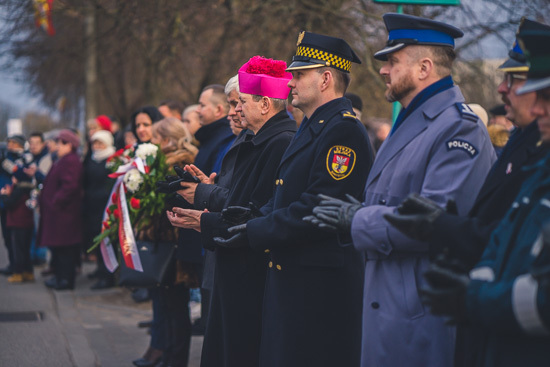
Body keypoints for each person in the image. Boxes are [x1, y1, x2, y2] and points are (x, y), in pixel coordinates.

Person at [305, 14, 496, 367]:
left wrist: (358, 220)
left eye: (392, 61)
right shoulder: (414, 120)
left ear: (424, 68)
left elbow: (435, 218)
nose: (383, 70)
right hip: (390, 300)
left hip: (421, 309)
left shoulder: (459, 128)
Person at [382, 19, 550, 367]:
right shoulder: (528, 143)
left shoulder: (462, 126)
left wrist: (476, 296)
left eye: (517, 80)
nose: (503, 91)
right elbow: (505, 240)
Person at [217, 32, 374, 367]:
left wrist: (257, 229)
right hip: (294, 278)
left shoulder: (342, 131)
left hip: (319, 287)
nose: (290, 82)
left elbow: (320, 207)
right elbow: (285, 191)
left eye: (300, 74)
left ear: (326, 78)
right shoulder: (314, 126)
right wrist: (252, 220)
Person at [168, 56, 296, 367]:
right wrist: (207, 193)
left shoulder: (279, 142)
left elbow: (257, 212)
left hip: (249, 273)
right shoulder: (257, 140)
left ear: (265, 105)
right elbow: (239, 196)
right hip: (234, 265)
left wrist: (206, 215)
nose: (234, 110)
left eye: (241, 103)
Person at [147, 117, 199, 367]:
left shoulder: (180, 164)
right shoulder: (164, 162)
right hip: (168, 242)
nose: (152, 142)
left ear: (167, 140)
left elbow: (173, 205)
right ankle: (166, 356)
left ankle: (175, 360)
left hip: (176, 244)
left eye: (156, 138)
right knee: (167, 307)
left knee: (176, 309)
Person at [184, 84, 234, 336]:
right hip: (207, 227)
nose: (199, 110)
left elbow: (222, 186)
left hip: (215, 230)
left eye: (202, 105)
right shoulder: (215, 138)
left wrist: (202, 190)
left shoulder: (226, 138)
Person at [38, 129, 83, 291]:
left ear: (69, 145)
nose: (57, 146)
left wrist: (56, 201)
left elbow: (70, 186)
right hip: (59, 213)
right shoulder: (63, 159)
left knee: (65, 250)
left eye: (60, 143)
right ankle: (59, 277)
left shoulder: (70, 160)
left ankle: (65, 280)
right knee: (59, 249)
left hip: (65, 214)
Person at [83, 130, 116, 290]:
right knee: (96, 239)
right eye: (94, 143)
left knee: (106, 240)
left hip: (106, 206)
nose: (97, 146)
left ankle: (107, 276)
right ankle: (100, 270)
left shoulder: (112, 160)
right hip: (92, 206)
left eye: (100, 143)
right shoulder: (91, 159)